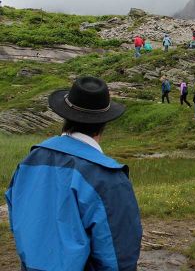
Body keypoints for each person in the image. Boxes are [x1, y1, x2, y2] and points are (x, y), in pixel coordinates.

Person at [5, 76, 142, 270]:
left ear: (65, 115)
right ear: (104, 122)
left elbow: (17, 222)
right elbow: (119, 257)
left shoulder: (28, 163)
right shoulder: (107, 178)